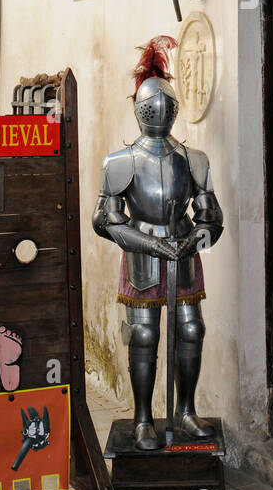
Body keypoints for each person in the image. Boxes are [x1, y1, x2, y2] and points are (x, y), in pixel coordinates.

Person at [92, 36, 223, 451]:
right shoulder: (119, 162)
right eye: (152, 106)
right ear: (138, 109)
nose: (159, 111)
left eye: (165, 106)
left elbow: (210, 216)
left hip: (182, 254)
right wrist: (149, 246)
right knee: (144, 336)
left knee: (191, 329)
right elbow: (105, 220)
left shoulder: (193, 158)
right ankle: (144, 418)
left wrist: (195, 239)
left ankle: (184, 411)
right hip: (142, 258)